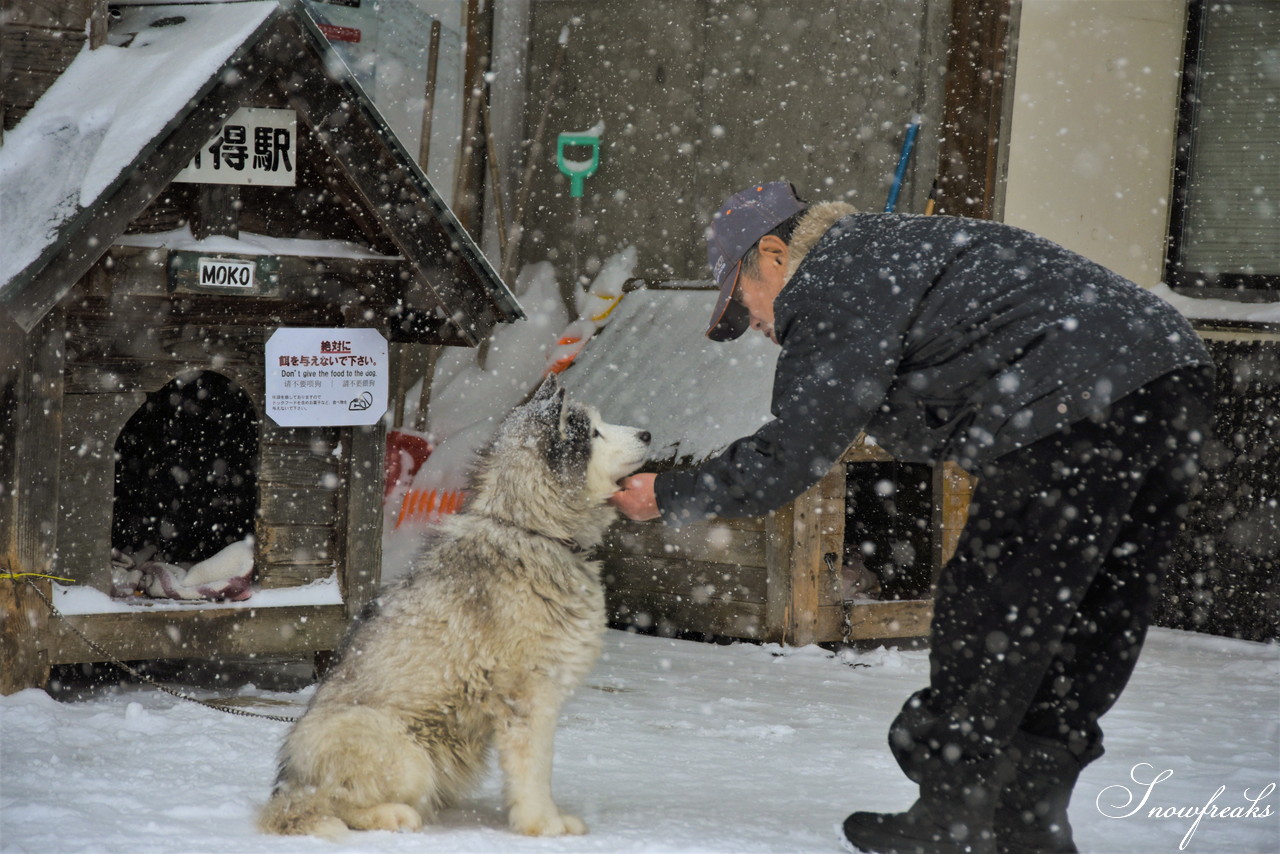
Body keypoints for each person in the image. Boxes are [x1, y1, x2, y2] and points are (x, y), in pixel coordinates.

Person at [610, 182, 1214, 854]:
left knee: (993, 606)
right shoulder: (890, 253)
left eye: (743, 304)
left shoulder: (834, 275)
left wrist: (668, 495)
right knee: (1093, 607)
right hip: (1171, 376)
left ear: (775, 254)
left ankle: (949, 820)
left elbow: (794, 451)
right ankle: (1029, 817)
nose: (755, 326)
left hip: (1073, 397)